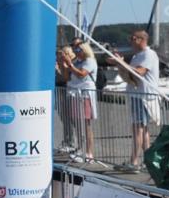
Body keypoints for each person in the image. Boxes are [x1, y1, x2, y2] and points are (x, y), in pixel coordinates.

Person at [109, 30, 160, 172]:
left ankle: (134, 162)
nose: (130, 41)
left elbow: (140, 72)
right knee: (142, 130)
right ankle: (147, 161)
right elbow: (130, 76)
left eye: (132, 38)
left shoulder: (148, 54)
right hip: (137, 95)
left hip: (143, 96)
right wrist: (119, 64)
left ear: (140, 39)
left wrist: (121, 62)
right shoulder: (137, 56)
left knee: (138, 129)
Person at [66, 40, 98, 164]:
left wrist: (70, 65)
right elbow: (68, 75)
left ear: (84, 50)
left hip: (85, 94)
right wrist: (66, 63)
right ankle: (80, 149)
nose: (76, 52)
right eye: (75, 50)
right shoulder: (77, 62)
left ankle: (89, 153)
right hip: (76, 93)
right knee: (78, 123)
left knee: (86, 124)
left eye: (78, 50)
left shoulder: (90, 61)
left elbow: (81, 74)